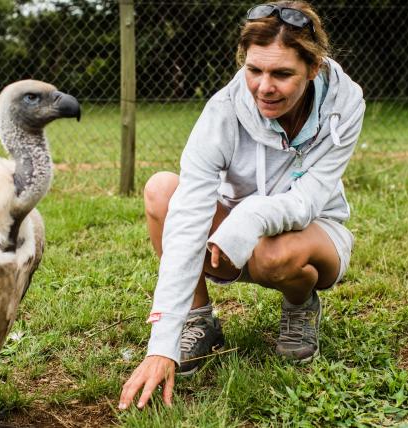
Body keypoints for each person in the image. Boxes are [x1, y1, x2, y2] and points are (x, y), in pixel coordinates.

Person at [118, 1, 365, 410]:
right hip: (231, 230)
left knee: (273, 253)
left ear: (314, 68)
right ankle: (199, 319)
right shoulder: (223, 111)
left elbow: (307, 201)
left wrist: (248, 220)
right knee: (163, 190)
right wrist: (162, 342)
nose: (264, 87)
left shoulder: (346, 101)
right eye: (254, 71)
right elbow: (189, 212)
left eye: (282, 73)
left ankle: (299, 305)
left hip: (312, 230)